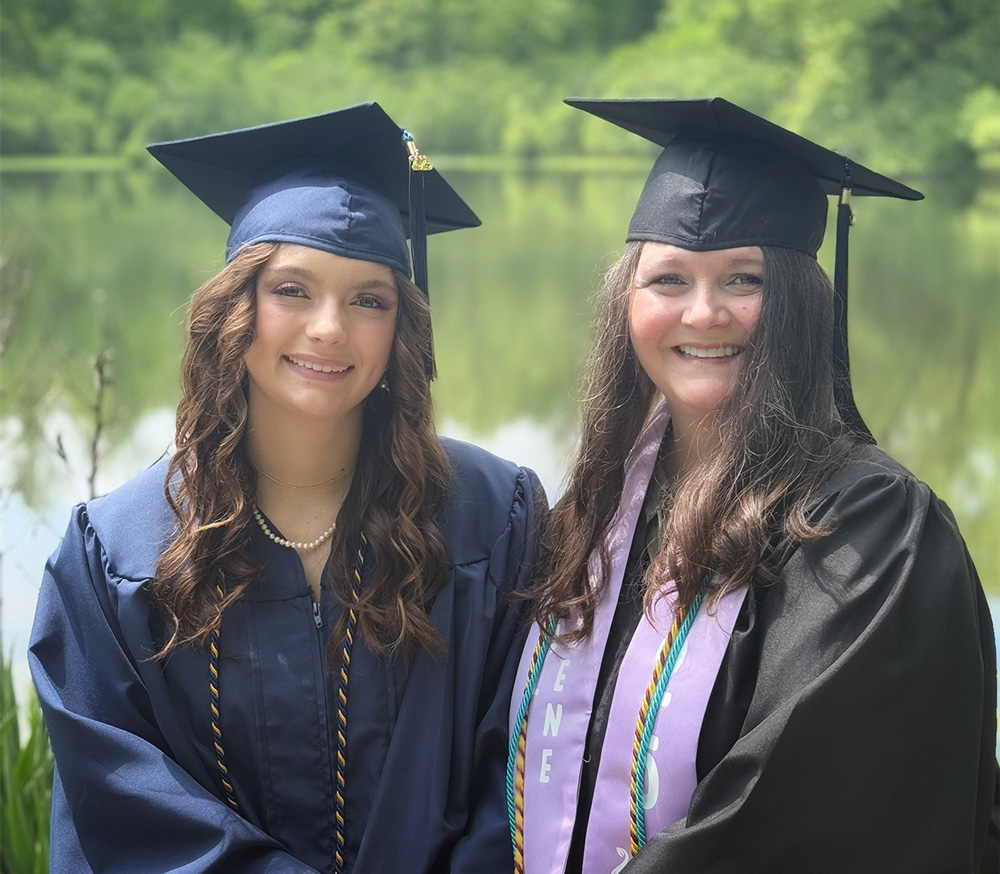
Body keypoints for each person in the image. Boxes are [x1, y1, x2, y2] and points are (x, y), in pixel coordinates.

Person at [29, 102, 545, 874]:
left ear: (402, 328)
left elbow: (527, 770)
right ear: (235, 310)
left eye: (369, 299)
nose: (330, 327)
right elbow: (123, 812)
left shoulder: (493, 519)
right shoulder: (114, 556)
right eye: (292, 290)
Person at [508, 98, 997, 873]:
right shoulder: (596, 511)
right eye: (669, 279)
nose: (704, 313)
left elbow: (795, 814)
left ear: (801, 302)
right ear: (626, 305)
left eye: (743, 278)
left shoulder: (872, 531)